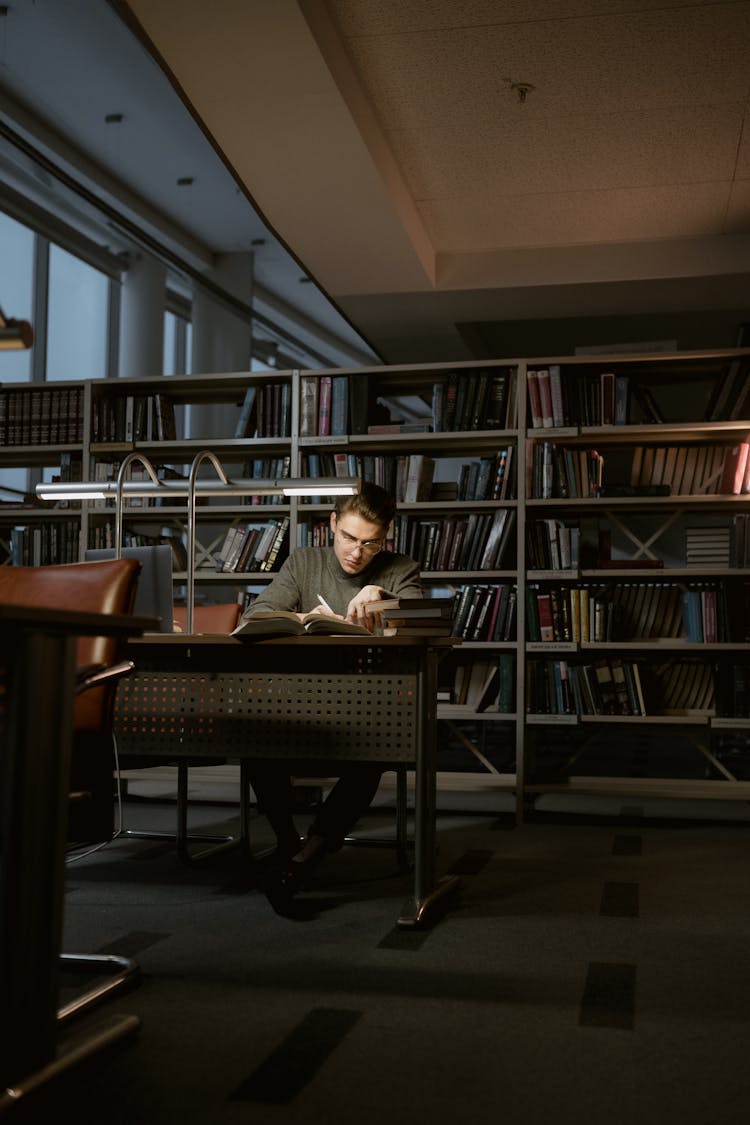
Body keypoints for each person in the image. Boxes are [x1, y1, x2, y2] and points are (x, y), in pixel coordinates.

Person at [243, 480, 422, 917]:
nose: (357, 553)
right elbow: (256, 615)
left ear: (385, 540)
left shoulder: (400, 569)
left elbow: (424, 622)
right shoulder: (304, 562)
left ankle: (309, 856)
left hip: (368, 709)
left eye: (370, 544)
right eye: (349, 538)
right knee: (254, 738)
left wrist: (385, 599)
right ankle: (290, 845)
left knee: (376, 749)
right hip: (299, 704)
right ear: (332, 525)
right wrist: (302, 617)